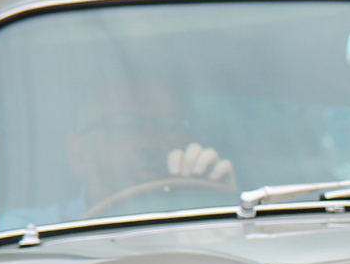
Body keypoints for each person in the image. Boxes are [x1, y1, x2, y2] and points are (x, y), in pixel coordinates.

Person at [61, 77, 237, 218]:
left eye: (170, 126)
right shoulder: (39, 243)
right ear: (78, 154)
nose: (150, 144)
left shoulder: (202, 221)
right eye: (125, 126)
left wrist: (218, 207)